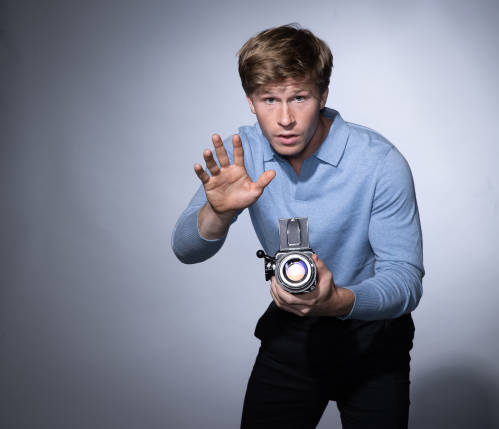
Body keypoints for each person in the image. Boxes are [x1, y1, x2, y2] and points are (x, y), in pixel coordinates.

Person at [171, 24, 424, 429]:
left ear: (323, 95)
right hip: (290, 335)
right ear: (250, 101)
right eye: (269, 99)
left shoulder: (379, 162)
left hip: (374, 341)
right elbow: (185, 250)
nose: (285, 119)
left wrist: (336, 300)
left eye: (299, 98)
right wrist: (218, 213)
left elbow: (405, 281)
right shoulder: (242, 153)